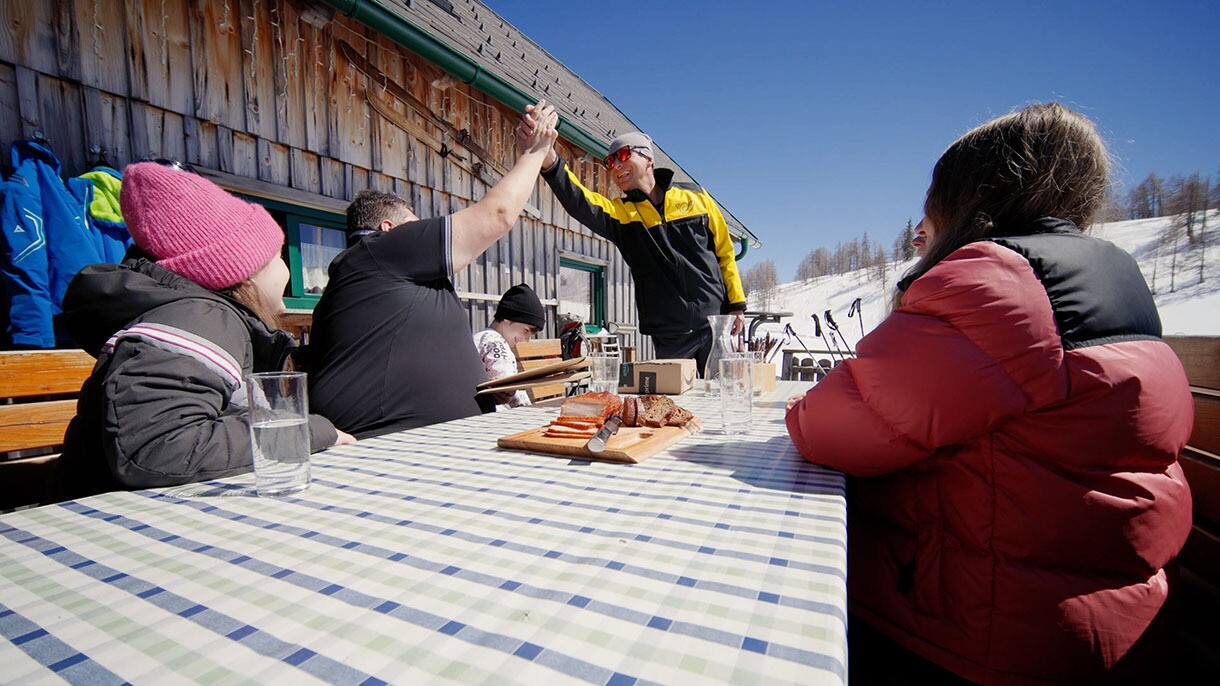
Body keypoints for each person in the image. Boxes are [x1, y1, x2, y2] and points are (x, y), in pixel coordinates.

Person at [785, 103, 1193, 683]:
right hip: (1107, 619)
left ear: (965, 198)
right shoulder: (1104, 278)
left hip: (991, 637)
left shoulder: (999, 285)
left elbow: (826, 428)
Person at [53, 162, 354, 500]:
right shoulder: (201, 319)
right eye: (277, 255)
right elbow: (160, 447)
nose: (286, 267)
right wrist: (309, 431)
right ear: (243, 270)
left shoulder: (202, 316)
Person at [308, 101, 559, 438]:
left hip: (427, 441)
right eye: (415, 227)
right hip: (398, 447)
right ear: (388, 228)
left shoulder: (361, 279)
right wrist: (535, 151)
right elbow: (497, 215)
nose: (422, 234)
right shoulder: (380, 250)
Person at [528, 121, 746, 374]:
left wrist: (737, 306)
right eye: (610, 162)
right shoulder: (623, 215)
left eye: (622, 155)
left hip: (715, 325)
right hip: (670, 335)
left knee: (724, 396)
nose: (616, 166)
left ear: (647, 158)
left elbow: (725, 254)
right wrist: (550, 159)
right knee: (674, 405)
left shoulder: (696, 198)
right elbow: (580, 201)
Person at [473, 283, 545, 410]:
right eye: (526, 331)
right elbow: (507, 383)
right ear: (508, 318)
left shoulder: (481, 337)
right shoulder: (495, 342)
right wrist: (528, 413)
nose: (526, 340)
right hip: (498, 420)